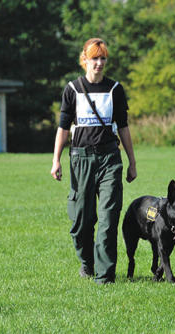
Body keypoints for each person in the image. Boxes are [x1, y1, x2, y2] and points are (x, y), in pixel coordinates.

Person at [50, 38, 137, 284]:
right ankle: (87, 263)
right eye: (94, 58)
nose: (99, 63)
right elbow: (63, 128)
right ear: (84, 60)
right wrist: (56, 160)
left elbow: (124, 127)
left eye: (103, 58)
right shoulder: (72, 89)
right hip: (81, 159)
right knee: (81, 221)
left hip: (110, 159)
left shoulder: (115, 90)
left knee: (108, 219)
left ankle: (105, 276)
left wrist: (132, 161)